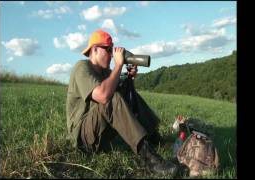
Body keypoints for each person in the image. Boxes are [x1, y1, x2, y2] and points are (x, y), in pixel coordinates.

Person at [66, 29, 178, 176]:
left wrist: (128, 78)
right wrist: (118, 66)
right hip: (82, 138)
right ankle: (149, 158)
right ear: (94, 49)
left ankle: (155, 138)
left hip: (99, 134)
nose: (112, 54)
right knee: (111, 98)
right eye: (108, 50)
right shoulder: (81, 67)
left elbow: (118, 89)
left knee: (124, 90)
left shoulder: (105, 73)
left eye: (112, 50)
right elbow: (104, 96)